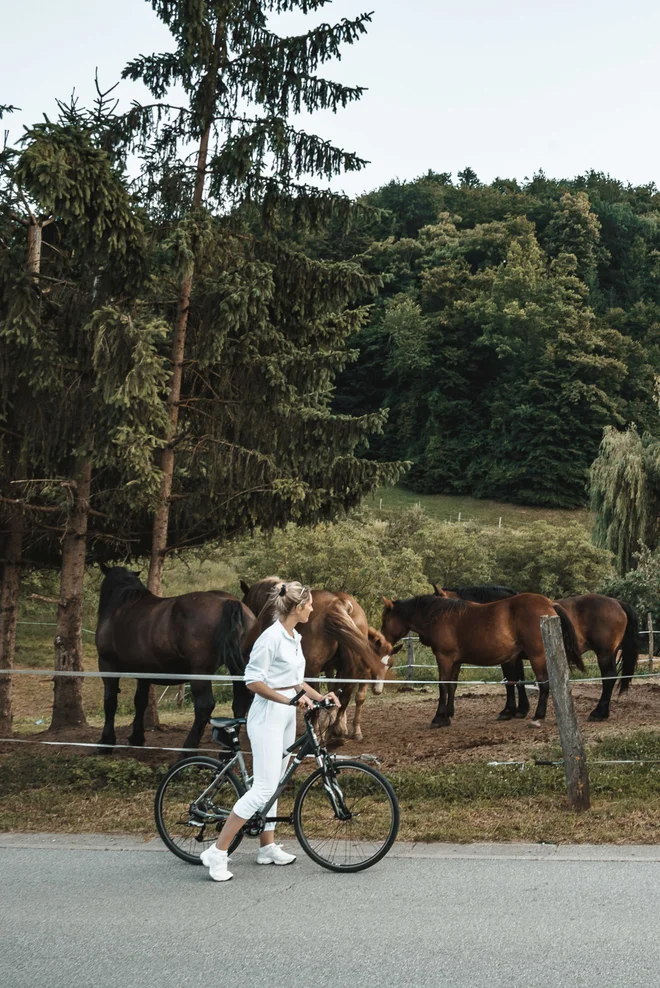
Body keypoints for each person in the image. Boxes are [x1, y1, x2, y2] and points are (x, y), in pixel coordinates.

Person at [201, 580, 340, 882]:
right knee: (263, 787)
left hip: (286, 714)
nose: (313, 608)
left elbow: (294, 679)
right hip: (266, 716)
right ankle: (217, 851)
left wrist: (320, 697)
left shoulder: (293, 636)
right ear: (298, 607)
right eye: (310, 604)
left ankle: (267, 846)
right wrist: (288, 698)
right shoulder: (270, 638)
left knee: (277, 781)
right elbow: (253, 681)